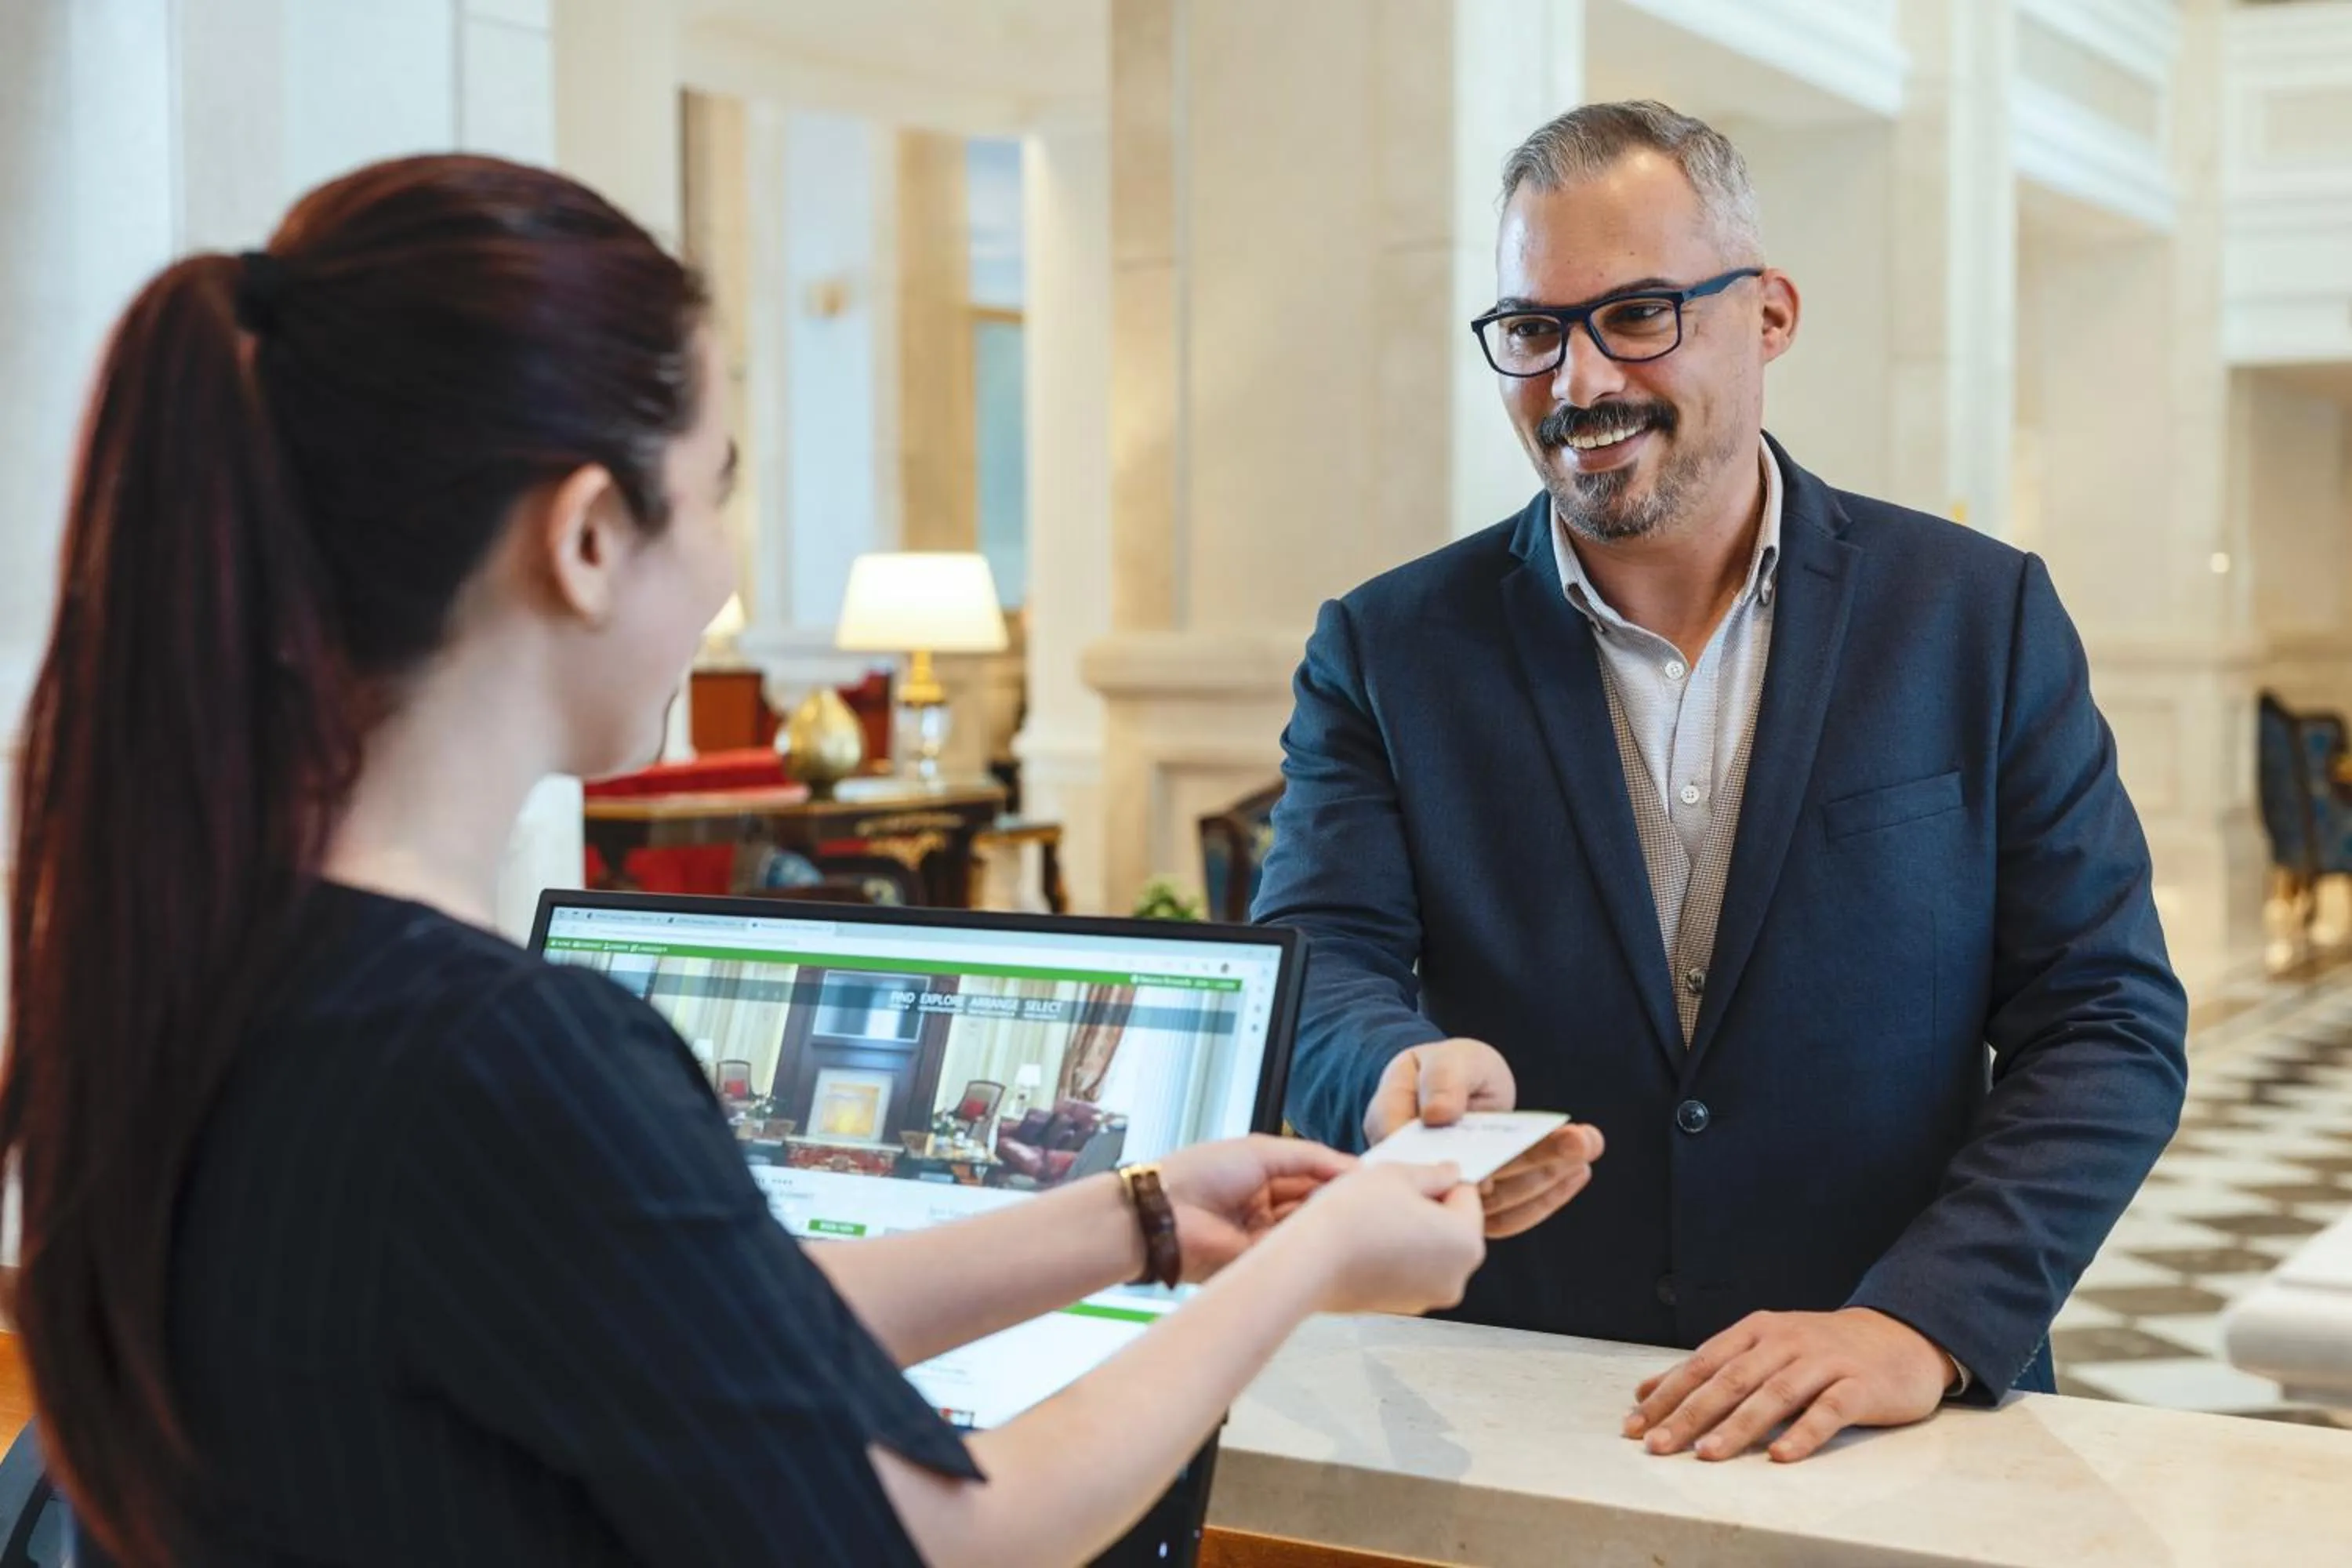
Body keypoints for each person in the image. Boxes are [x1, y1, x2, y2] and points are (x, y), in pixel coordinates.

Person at [0, 154, 1492, 1568]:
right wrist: (1310, 1265)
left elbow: (711, 1322)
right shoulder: (501, 1055)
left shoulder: (214, 962)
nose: (725, 563)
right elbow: (943, 1539)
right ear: (588, 537)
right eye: (714, 489)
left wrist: (1143, 1218)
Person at [1258, 100, 2187, 1464]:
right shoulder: (1388, 646)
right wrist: (1394, 1068)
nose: (1576, 382)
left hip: (1891, 1419)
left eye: (1636, 313)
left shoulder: (1973, 618)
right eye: (1531, 329)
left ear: (1768, 315)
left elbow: (2105, 1022)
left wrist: (1917, 1324)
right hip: (1516, 1400)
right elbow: (1315, 951)